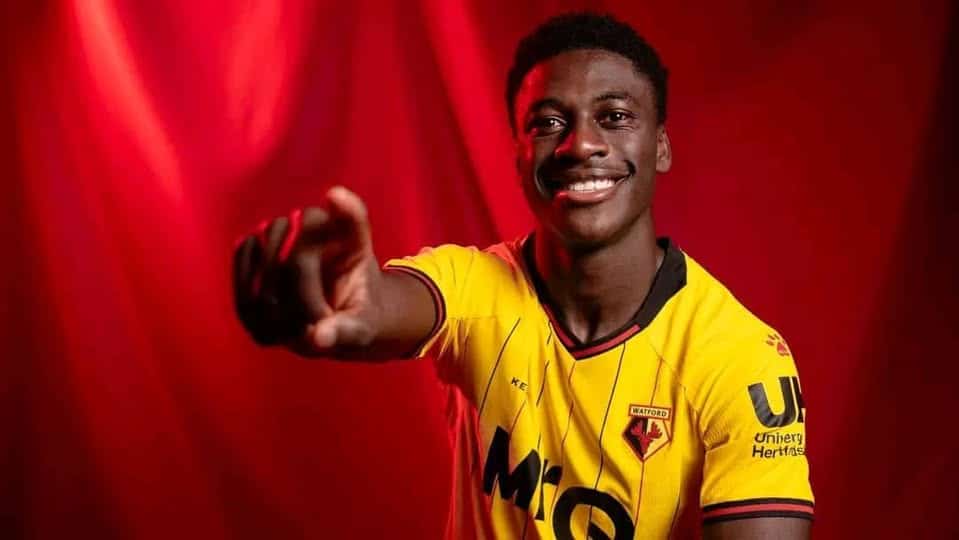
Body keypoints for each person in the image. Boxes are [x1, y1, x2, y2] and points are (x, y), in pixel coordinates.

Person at [232, 12, 813, 539]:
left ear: (660, 146)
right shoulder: (474, 285)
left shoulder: (739, 358)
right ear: (518, 156)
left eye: (614, 117)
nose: (581, 144)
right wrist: (344, 302)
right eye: (549, 122)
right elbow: (388, 304)